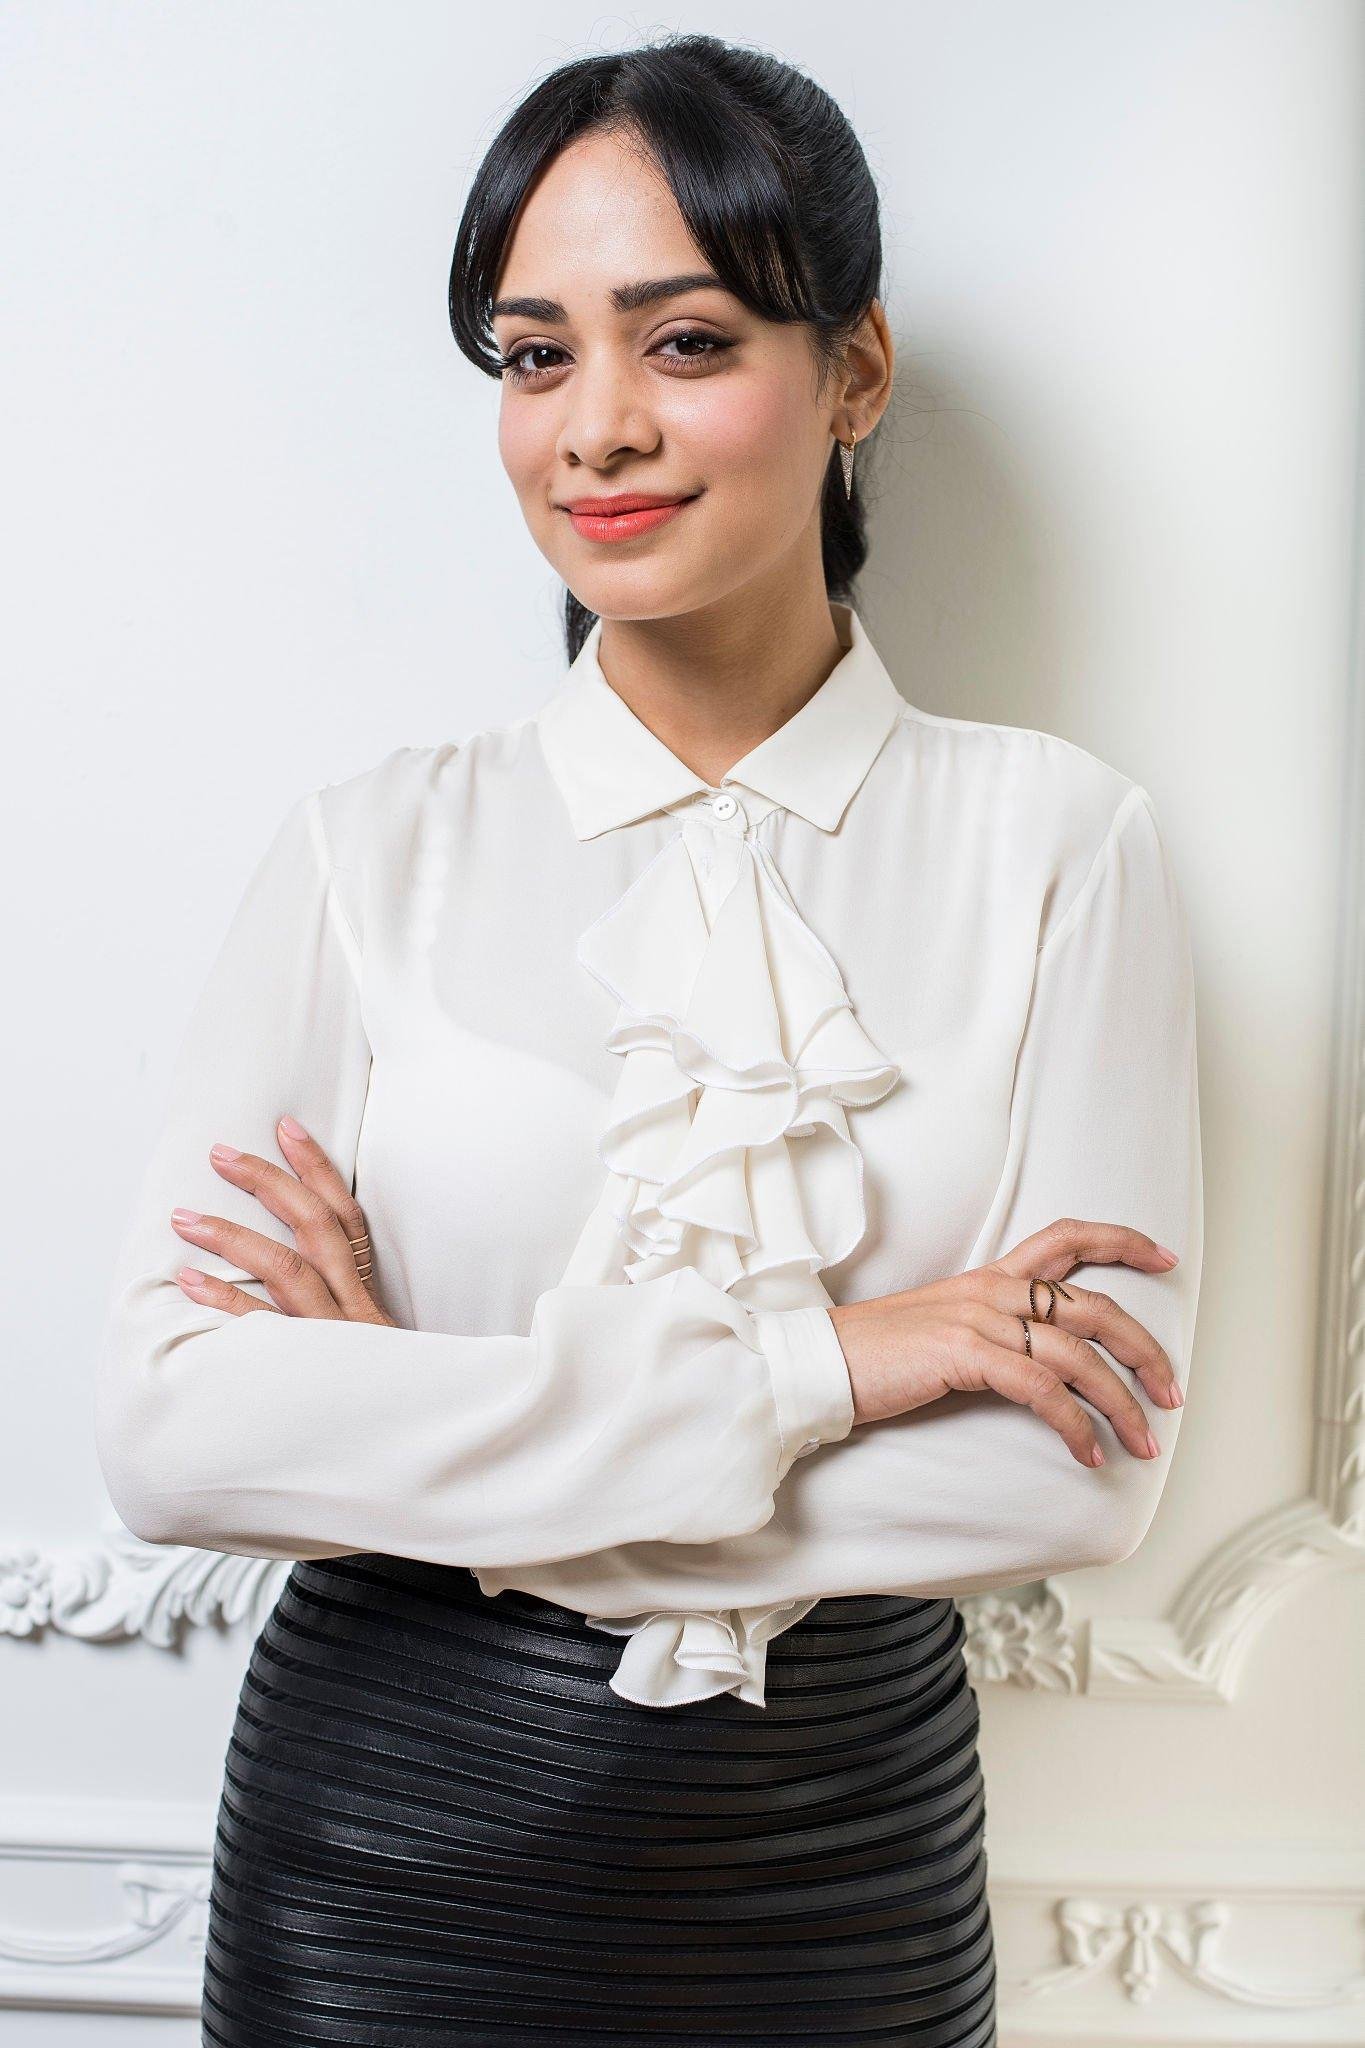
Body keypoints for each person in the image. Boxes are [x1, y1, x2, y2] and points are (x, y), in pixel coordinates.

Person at [94, 31, 1201, 2048]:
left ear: (851, 373)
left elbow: (1066, 1485)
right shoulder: (369, 849)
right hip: (378, 1848)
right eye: (535, 357)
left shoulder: (1056, 844)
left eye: (682, 343)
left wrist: (412, 1433)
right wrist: (831, 1365)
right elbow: (173, 1432)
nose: (595, 428)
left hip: (838, 1869)